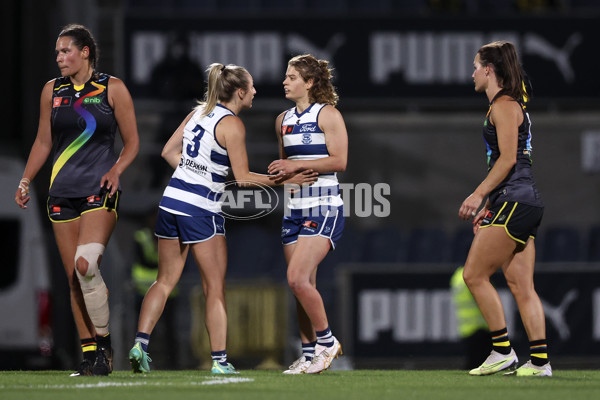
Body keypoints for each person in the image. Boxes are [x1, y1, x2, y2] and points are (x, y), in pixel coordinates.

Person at [128, 63, 317, 375]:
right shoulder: (232, 125)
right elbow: (242, 179)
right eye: (252, 87)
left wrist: (193, 173)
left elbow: (167, 152)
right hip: (201, 210)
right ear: (240, 92)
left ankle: (140, 344)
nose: (255, 92)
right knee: (214, 287)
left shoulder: (198, 112)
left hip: (171, 202)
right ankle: (219, 361)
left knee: (163, 281)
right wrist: (289, 179)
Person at [14, 24, 140, 377]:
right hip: (61, 193)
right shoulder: (51, 91)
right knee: (73, 278)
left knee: (87, 266)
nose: (59, 58)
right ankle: (91, 355)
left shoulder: (112, 88)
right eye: (57, 52)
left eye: (66, 51)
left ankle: (105, 345)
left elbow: (132, 143)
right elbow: (43, 142)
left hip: (99, 192)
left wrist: (117, 170)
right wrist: (26, 179)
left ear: (85, 52)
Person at [458, 41, 551, 377]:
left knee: (473, 275)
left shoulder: (503, 105)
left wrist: (478, 196)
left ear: (489, 70)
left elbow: (509, 159)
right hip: (519, 201)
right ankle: (540, 362)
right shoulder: (511, 104)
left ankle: (501, 351)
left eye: (475, 66)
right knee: (520, 286)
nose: (472, 74)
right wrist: (492, 205)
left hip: (514, 198)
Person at [267, 54, 348, 374]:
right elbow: (287, 170)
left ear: (310, 83)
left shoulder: (328, 115)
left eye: (292, 77)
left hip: (324, 206)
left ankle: (327, 343)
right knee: (300, 284)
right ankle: (309, 352)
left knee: (297, 278)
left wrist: (296, 165)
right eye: (286, 77)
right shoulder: (282, 120)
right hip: (295, 210)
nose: (285, 81)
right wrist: (282, 175)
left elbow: (339, 161)